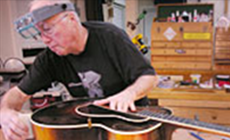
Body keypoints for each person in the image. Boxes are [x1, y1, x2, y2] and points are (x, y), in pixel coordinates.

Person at [0, 0, 158, 140]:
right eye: (39, 34)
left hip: (132, 128)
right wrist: (5, 111)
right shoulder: (50, 59)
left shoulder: (110, 37)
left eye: (47, 29)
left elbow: (149, 77)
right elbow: (18, 93)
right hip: (89, 128)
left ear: (71, 19)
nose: (45, 40)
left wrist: (129, 94)